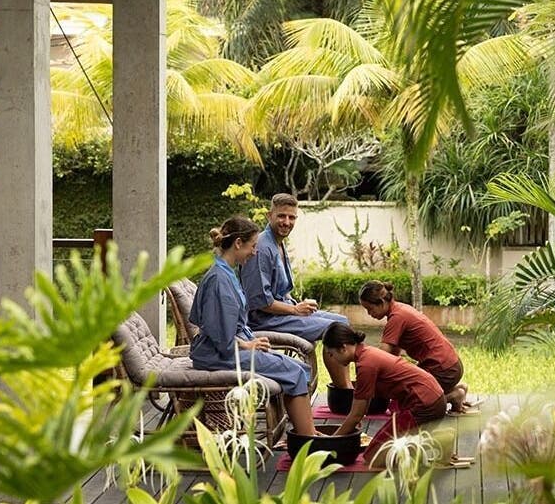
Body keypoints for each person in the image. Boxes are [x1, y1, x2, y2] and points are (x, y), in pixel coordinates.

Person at [189, 215, 316, 436]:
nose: (254, 251)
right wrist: (247, 346)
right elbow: (220, 337)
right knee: (293, 371)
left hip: (227, 348)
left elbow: (220, 327)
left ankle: (305, 432)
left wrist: (249, 342)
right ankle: (308, 438)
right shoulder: (219, 280)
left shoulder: (226, 273)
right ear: (238, 243)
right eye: (253, 245)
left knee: (298, 368)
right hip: (219, 355)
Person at [240, 193, 350, 385]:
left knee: (343, 321)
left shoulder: (277, 244)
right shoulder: (262, 248)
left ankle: (345, 388)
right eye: (281, 216)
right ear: (269, 215)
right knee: (336, 329)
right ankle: (344, 390)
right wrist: (295, 310)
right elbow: (259, 301)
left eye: (292, 217)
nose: (287, 222)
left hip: (282, 314)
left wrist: (299, 306)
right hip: (262, 320)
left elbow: (280, 291)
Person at [323, 322, 447, 463]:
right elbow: (362, 405)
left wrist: (330, 442)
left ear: (343, 348)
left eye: (331, 354)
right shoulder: (366, 354)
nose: (332, 359)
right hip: (432, 398)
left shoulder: (366, 364)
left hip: (425, 404)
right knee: (379, 452)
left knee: (374, 457)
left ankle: (438, 441)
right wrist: (355, 420)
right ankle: (424, 440)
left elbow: (356, 414)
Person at [359, 280, 470, 412]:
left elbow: (381, 357)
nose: (369, 313)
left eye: (370, 309)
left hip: (444, 370)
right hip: (451, 365)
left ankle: (453, 396)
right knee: (405, 387)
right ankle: (455, 388)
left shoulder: (397, 318)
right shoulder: (401, 309)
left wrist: (367, 374)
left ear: (382, 303)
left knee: (412, 407)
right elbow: (392, 355)